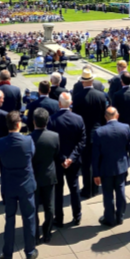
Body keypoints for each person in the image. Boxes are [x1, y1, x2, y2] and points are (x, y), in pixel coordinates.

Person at [0, 111, 38, 259]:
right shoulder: (28, 141)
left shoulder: (0, 142)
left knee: (9, 220)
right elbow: (31, 155)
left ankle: (7, 255)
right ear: (19, 124)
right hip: (26, 186)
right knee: (29, 218)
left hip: (9, 185)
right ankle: (29, 251)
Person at [92, 107, 130, 227]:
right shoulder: (125, 128)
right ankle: (120, 217)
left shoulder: (99, 132)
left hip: (106, 168)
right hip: (121, 166)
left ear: (105, 117)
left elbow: (95, 156)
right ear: (117, 115)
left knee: (108, 194)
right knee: (121, 191)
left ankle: (109, 218)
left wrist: (95, 173)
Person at [48, 93, 85, 227]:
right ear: (71, 103)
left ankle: (59, 218)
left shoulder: (52, 120)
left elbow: (52, 143)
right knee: (74, 188)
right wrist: (71, 158)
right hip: (73, 161)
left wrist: (63, 158)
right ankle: (77, 216)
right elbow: (82, 141)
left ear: (59, 103)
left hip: (58, 161)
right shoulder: (78, 119)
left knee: (58, 190)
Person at [73, 67, 110, 196]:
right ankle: (96, 187)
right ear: (92, 81)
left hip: (83, 134)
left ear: (83, 82)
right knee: (97, 161)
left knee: (86, 162)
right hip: (98, 132)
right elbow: (104, 116)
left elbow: (76, 118)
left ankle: (87, 189)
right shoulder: (101, 96)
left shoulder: (77, 97)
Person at [29, 108, 59, 242]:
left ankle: (35, 234)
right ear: (47, 121)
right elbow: (56, 155)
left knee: (34, 207)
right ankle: (47, 233)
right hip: (49, 176)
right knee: (49, 207)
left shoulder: (28, 139)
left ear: (34, 121)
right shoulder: (54, 136)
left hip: (33, 177)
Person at [111, 72, 130, 182]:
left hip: (121, 126)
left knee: (122, 152)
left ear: (121, 81)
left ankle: (124, 174)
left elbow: (114, 112)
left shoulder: (117, 95)